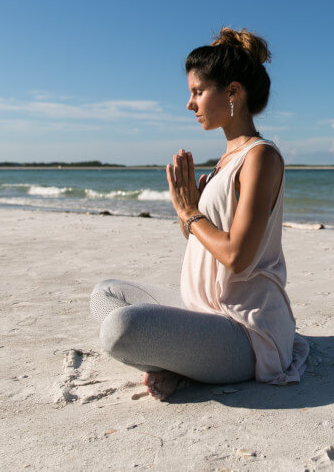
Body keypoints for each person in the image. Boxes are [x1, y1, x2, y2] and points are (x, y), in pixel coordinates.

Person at [89, 28, 308, 400]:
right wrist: (186, 211)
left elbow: (237, 258)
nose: (190, 104)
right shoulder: (225, 161)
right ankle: (182, 363)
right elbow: (200, 240)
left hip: (242, 329)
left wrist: (190, 211)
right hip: (203, 310)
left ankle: (185, 366)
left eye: (197, 92)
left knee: (121, 331)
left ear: (233, 93)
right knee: (105, 293)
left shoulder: (261, 157)